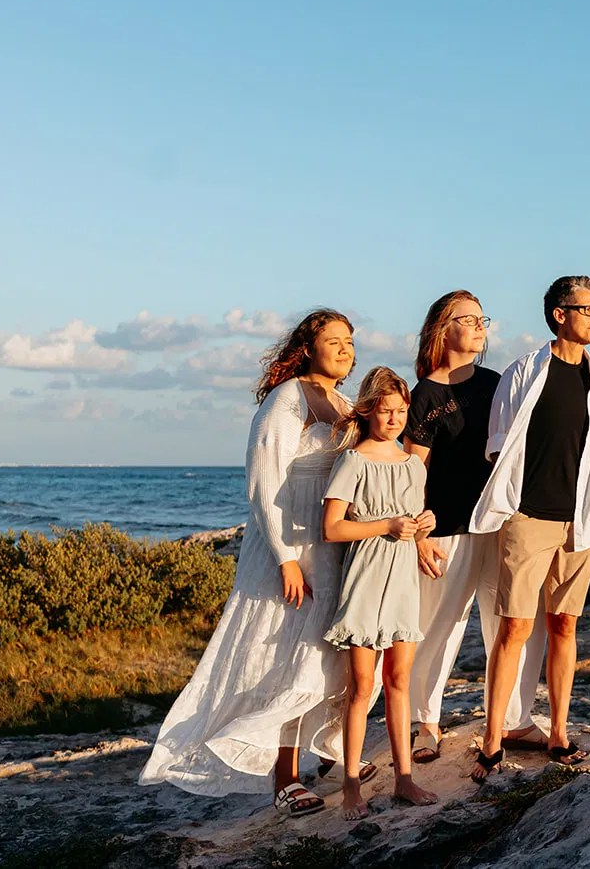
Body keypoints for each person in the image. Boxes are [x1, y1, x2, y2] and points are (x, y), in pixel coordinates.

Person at [140, 309, 367, 818]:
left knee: (328, 653)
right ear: (307, 347)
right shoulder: (286, 400)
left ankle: (330, 752)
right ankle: (284, 779)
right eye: (333, 341)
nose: (344, 349)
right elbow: (263, 485)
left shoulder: (344, 403)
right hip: (291, 543)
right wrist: (287, 559)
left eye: (349, 342)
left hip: (331, 544)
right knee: (287, 656)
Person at [469, 276, 590, 782]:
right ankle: (492, 739)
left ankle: (558, 733)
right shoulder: (524, 371)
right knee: (514, 627)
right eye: (588, 310)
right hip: (529, 516)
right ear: (560, 314)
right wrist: (510, 509)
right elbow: (497, 446)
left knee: (565, 625)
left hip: (582, 522)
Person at [404, 290, 549, 765]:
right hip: (444, 526)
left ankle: (514, 719)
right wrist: (419, 536)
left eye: (482, 317)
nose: (480, 325)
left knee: (511, 621)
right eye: (468, 318)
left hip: (500, 522)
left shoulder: (498, 383)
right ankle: (423, 722)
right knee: (437, 627)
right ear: (442, 329)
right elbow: (412, 471)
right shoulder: (424, 392)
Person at [321, 366, 438, 817]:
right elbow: (332, 528)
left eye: (401, 411)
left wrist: (424, 525)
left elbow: (415, 518)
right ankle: (351, 784)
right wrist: (386, 525)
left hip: (404, 582)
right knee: (362, 687)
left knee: (400, 682)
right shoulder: (352, 461)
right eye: (385, 411)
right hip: (366, 582)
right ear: (368, 411)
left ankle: (404, 779)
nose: (394, 419)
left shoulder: (413, 463)